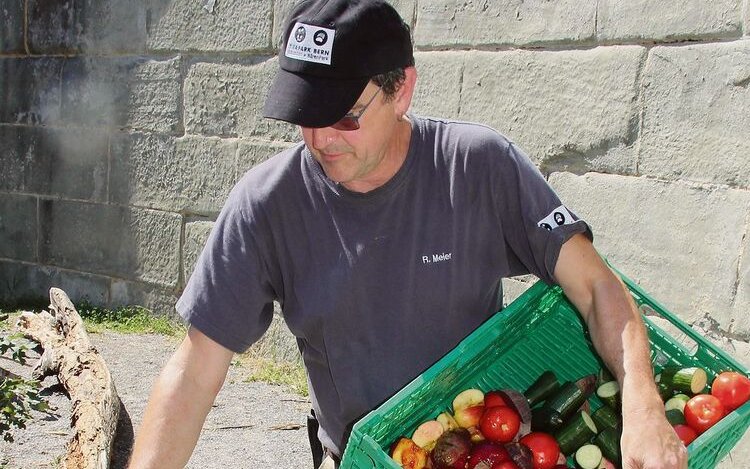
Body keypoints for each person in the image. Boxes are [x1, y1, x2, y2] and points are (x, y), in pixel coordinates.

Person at [128, 1, 687, 468]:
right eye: (305, 114)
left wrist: (643, 406)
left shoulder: (478, 167)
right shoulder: (266, 205)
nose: (322, 140)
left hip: (479, 453)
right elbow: (195, 371)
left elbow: (595, 287)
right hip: (362, 458)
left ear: (402, 91)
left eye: (346, 115)